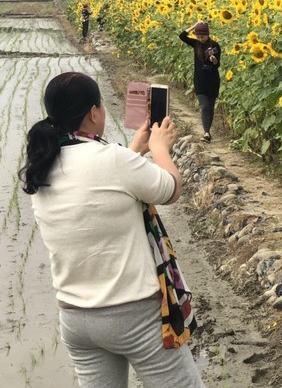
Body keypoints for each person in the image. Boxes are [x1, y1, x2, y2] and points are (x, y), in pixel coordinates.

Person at [19, 72, 205, 388]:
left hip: (76, 320)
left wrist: (136, 149)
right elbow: (169, 188)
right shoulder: (112, 160)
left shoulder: (43, 164)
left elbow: (101, 190)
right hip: (133, 316)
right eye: (101, 106)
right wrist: (160, 148)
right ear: (94, 112)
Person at [179, 21, 221, 143]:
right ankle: (206, 133)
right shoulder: (196, 44)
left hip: (213, 81)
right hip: (199, 81)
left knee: (211, 108)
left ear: (208, 34)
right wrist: (195, 25)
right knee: (204, 106)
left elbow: (218, 64)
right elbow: (182, 36)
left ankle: (207, 131)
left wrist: (214, 60)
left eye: (202, 36)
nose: (200, 39)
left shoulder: (215, 45)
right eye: (198, 36)